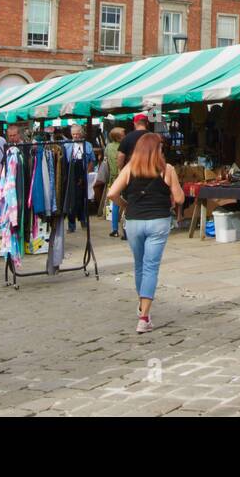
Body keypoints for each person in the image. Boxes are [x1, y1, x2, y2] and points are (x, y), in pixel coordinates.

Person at [105, 132, 184, 333]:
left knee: (140, 265)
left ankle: (142, 306)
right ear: (158, 150)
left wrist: (125, 205)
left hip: (134, 222)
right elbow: (180, 198)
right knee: (151, 267)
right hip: (158, 222)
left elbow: (111, 193)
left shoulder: (130, 168)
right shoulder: (167, 170)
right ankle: (144, 317)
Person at [105, 127, 126, 238]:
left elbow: (107, 163)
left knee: (115, 204)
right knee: (126, 202)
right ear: (118, 137)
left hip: (113, 179)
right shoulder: (122, 147)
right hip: (123, 177)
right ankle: (125, 230)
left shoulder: (108, 147)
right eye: (123, 134)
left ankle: (114, 229)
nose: (125, 135)